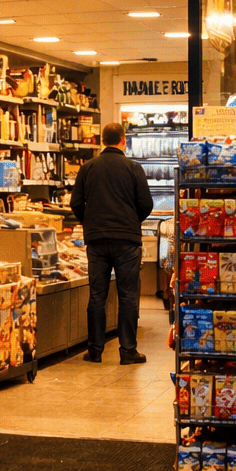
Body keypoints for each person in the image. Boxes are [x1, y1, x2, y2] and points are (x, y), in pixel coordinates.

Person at [70, 122, 154, 364]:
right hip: (127, 241)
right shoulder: (133, 168)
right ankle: (128, 350)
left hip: (97, 240)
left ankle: (95, 350)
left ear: (102, 140)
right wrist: (130, 221)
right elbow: (146, 204)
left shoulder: (88, 168)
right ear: (123, 140)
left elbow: (76, 203)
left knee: (97, 295)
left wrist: (90, 222)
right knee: (128, 295)